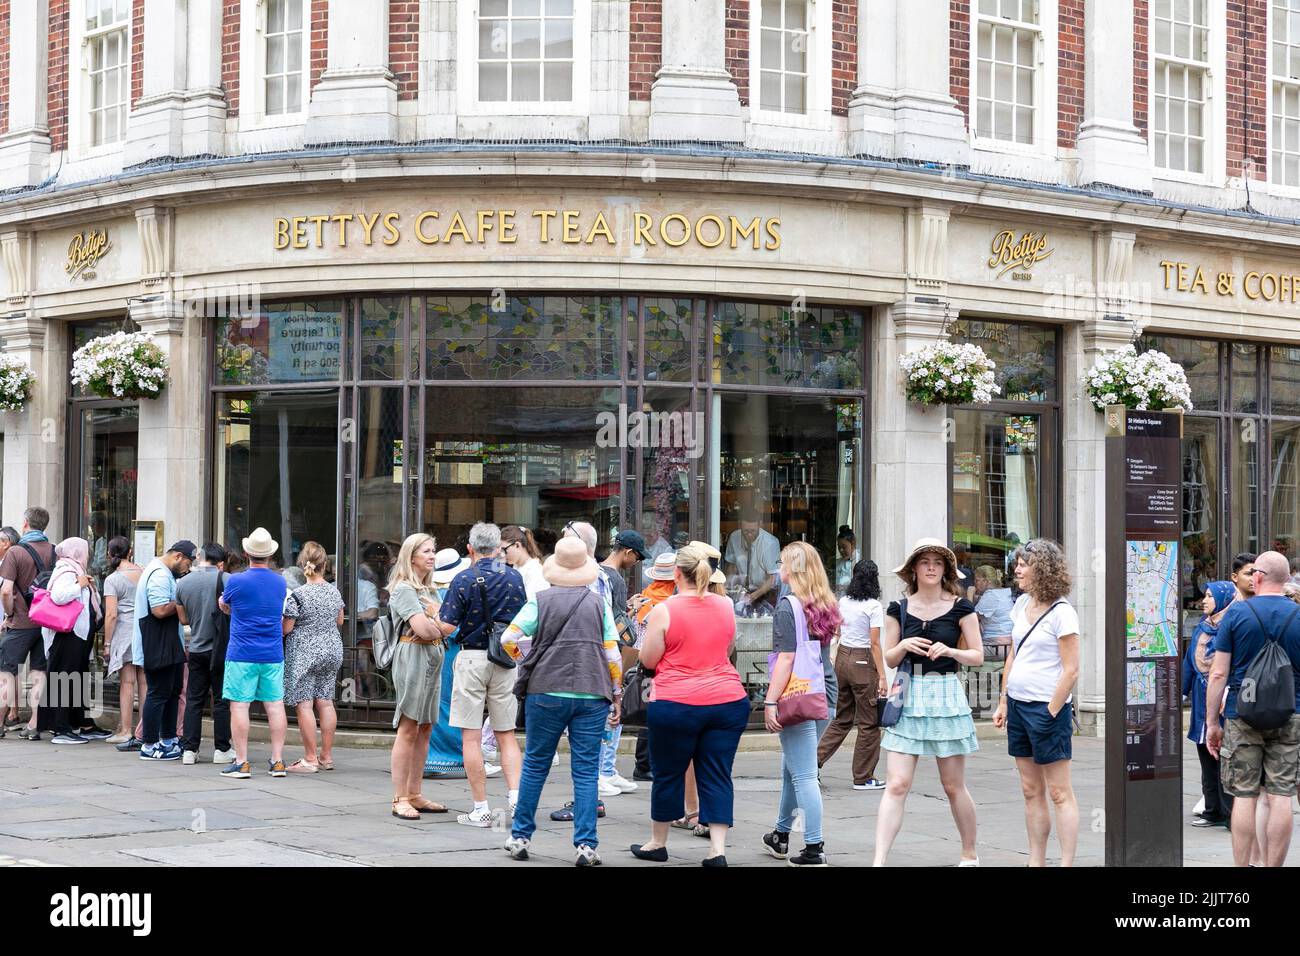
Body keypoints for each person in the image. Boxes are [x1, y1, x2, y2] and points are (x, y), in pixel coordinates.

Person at [502, 537, 623, 866]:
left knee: (535, 765)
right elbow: (612, 654)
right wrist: (617, 693)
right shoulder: (599, 604)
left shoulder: (539, 601)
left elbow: (508, 638)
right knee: (585, 772)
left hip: (546, 691)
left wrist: (526, 658)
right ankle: (586, 846)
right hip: (592, 692)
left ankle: (520, 836)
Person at [631, 544, 748, 867]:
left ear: (676, 574)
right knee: (718, 773)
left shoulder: (664, 610)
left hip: (676, 702)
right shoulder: (725, 605)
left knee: (668, 772)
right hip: (727, 700)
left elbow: (649, 658)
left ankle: (658, 842)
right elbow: (727, 648)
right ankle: (717, 849)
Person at [874, 538, 982, 867]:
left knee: (952, 785)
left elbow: (977, 655)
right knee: (897, 783)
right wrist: (905, 643)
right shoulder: (898, 608)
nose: (932, 567)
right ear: (914, 570)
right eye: (925, 562)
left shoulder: (962, 608)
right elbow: (890, 658)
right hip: (908, 694)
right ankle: (878, 861)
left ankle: (969, 853)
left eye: (938, 562)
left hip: (945, 693)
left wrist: (951, 651)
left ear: (946, 569)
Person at [1207, 551, 1300, 867]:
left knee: (1244, 796)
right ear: (1286, 580)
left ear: (1257, 576)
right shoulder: (1298, 615)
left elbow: (1218, 673)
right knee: (1281, 794)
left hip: (1241, 714)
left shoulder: (1236, 615)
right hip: (1290, 713)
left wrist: (1211, 723)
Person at [991, 539, 1081, 867]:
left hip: (1046, 709)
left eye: (1024, 564)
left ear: (1042, 568)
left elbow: (1071, 670)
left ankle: (1066, 862)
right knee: (1030, 789)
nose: (1017, 569)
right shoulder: (1021, 605)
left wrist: (1052, 710)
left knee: (1059, 792)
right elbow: (1014, 654)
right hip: (1017, 705)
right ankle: (1036, 861)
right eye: (1018, 563)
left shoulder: (1063, 613)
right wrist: (1002, 701)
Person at [435, 522, 527, 826]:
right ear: (499, 547)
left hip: (472, 657)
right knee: (506, 735)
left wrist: (429, 616)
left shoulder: (463, 578)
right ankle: (516, 802)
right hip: (504, 658)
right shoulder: (513, 577)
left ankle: (481, 808)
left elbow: (447, 627)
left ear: (470, 549)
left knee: (471, 737)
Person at [760, 542, 843, 866]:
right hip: (825, 696)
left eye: (781, 562)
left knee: (805, 774)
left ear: (791, 569)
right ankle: (780, 834)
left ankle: (814, 847)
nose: (778, 568)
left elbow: (786, 660)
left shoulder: (787, 606)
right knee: (793, 768)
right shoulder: (823, 603)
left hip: (798, 699)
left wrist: (770, 701)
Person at [386, 533, 449, 818]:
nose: (432, 555)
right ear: (411, 556)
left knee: (425, 727)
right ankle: (400, 797)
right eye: (426, 551)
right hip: (413, 655)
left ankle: (415, 793)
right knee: (409, 726)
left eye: (433, 550)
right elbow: (426, 630)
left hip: (432, 656)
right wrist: (438, 621)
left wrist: (436, 622)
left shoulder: (429, 589)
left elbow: (446, 628)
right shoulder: (404, 589)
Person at [218, 528, 289, 779]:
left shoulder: (236, 581)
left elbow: (226, 604)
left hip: (241, 652)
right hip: (272, 652)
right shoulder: (281, 581)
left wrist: (226, 607)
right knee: (275, 705)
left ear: (247, 553)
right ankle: (278, 761)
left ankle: (242, 761)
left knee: (239, 706)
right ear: (270, 555)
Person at [817, 558, 886, 790]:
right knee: (869, 722)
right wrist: (883, 676)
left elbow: (837, 632)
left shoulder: (843, 601)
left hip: (843, 659)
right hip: (863, 660)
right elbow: (875, 643)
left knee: (842, 718)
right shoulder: (874, 606)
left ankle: (812, 764)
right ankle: (863, 776)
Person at [281, 541, 346, 773]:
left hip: (305, 652)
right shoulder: (334, 591)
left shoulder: (297, 595)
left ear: (302, 564)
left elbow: (286, 629)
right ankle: (326, 756)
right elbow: (339, 621)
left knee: (305, 704)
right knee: (326, 702)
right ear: (325, 564)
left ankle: (310, 759)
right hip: (332, 649)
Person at [35, 537, 103, 744]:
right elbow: (58, 596)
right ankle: (61, 728)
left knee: (76, 678)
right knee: (64, 679)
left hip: (77, 635)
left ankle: (82, 723)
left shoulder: (75, 570)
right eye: (85, 550)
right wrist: (79, 585)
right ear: (76, 552)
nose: (88, 554)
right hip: (67, 635)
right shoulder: (66, 571)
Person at [132, 540, 195, 760]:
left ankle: (167, 739)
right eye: (188, 563)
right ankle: (149, 744)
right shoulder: (159, 574)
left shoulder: (164, 572)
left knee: (172, 691)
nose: (188, 569)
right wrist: (182, 600)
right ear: (178, 556)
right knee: (158, 692)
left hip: (168, 643)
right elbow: (158, 609)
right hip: (157, 643)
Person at [596, 529, 647, 796]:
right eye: (636, 556)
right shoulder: (614, 577)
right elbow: (614, 623)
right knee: (613, 711)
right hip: (610, 651)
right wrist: (632, 611)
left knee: (611, 711)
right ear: (627, 552)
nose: (636, 562)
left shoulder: (597, 571)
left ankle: (606, 770)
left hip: (599, 649)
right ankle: (603, 772)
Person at [175, 543, 235, 764]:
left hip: (196, 648)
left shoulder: (183, 583)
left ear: (200, 557)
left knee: (194, 699)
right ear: (220, 561)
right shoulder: (227, 580)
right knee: (221, 699)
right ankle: (222, 749)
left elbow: (183, 620)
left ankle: (190, 750)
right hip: (221, 649)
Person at [1184, 580, 1236, 829]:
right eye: (1204, 596)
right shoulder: (1201, 628)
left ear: (1223, 599)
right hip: (1200, 698)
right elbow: (1188, 663)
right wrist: (1178, 694)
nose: (1204, 601)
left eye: (1209, 596)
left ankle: (1230, 814)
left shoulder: (1232, 626)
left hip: (1223, 700)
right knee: (1205, 756)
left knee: (1224, 758)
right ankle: (1212, 809)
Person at [0, 507, 55, 741]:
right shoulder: (55, 551)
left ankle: (0, 723)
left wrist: (9, 614)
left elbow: (6, 591)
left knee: (6, 672)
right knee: (39, 672)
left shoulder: (16, 552)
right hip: (45, 624)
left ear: (25, 523)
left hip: (20, 623)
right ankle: (34, 724)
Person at [424, 547, 471, 778]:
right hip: (452, 652)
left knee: (439, 702)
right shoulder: (454, 593)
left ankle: (434, 756)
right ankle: (453, 756)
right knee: (450, 704)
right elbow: (454, 630)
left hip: (437, 652)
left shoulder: (431, 593)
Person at [103, 538, 144, 746]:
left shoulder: (113, 579)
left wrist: (108, 643)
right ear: (131, 551)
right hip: (144, 631)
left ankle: (126, 729)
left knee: (127, 682)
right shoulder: (144, 572)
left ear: (110, 554)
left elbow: (111, 615)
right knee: (144, 681)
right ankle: (144, 730)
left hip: (125, 632)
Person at [724, 509, 781, 615]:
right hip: (742, 592)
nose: (749, 534)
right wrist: (727, 586)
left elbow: (772, 579)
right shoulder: (734, 537)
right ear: (740, 525)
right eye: (746, 531)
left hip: (765, 593)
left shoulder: (770, 543)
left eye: (753, 531)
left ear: (760, 525)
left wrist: (751, 597)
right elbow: (731, 567)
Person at [973, 564, 1014, 659]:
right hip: (1008, 644)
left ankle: (960, 672)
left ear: (986, 581)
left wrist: (969, 596)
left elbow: (971, 619)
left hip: (996, 645)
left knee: (961, 647)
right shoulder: (1003, 592)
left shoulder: (991, 595)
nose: (974, 583)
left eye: (977, 580)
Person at [501, 526, 547, 600]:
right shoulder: (516, 566)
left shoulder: (535, 570)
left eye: (504, 549)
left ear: (517, 545)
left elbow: (532, 604)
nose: (502, 554)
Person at [834, 526, 859, 594]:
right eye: (839, 547)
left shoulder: (859, 561)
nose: (841, 550)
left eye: (844, 547)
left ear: (853, 544)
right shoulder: (838, 563)